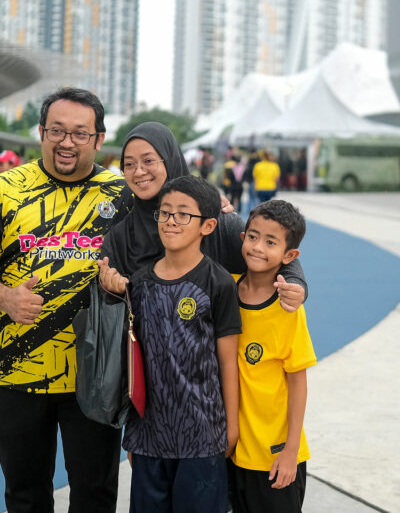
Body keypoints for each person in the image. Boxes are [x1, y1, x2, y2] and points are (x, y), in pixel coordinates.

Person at [0, 87, 133, 513]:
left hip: (96, 374)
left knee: (95, 496)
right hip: (17, 371)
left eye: (79, 133)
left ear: (99, 139)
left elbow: (186, 230)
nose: (66, 142)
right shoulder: (4, 190)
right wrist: (4, 296)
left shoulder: (124, 195)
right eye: (57, 130)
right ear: (41, 132)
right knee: (26, 495)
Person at [97, 175, 241, 512]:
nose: (171, 221)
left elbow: (227, 362)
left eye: (182, 214)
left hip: (203, 435)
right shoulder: (141, 282)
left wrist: (230, 427)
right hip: (149, 437)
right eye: (164, 213)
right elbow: (135, 361)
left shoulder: (217, 282)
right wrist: (134, 434)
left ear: (207, 226)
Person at [98, 122, 306, 310]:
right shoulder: (123, 231)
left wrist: (295, 285)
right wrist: (111, 287)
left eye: (148, 160)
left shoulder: (212, 219)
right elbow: (109, 300)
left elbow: (272, 248)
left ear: (170, 160)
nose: (139, 171)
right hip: (146, 348)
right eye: (129, 164)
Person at [229, 199, 317, 513]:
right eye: (252, 237)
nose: (257, 247)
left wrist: (291, 450)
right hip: (235, 451)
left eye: (270, 242)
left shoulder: (288, 309)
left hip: (275, 455)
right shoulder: (226, 289)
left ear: (289, 255)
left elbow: (298, 383)